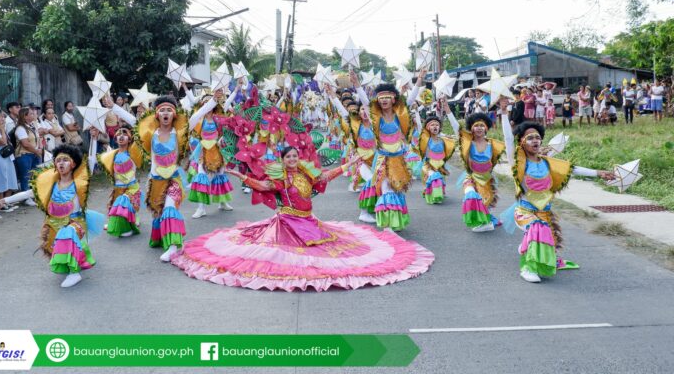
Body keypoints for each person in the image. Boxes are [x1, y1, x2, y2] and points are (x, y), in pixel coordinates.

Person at [169, 146, 436, 291]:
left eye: (296, 156)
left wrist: (351, 164)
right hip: (286, 222)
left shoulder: (307, 175)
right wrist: (241, 176)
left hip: (309, 220)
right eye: (289, 157)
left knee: (330, 248)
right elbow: (262, 188)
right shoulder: (279, 179)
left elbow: (327, 177)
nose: (293, 159)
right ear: (283, 160)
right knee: (289, 257)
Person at [500, 113, 616, 283]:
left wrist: (599, 173)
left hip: (545, 213)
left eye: (537, 137)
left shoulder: (547, 163)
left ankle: (530, 247)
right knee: (537, 228)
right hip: (524, 212)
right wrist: (504, 113)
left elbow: (572, 169)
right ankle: (527, 268)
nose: (534, 141)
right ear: (522, 141)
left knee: (547, 238)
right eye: (529, 137)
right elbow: (508, 140)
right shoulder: (518, 162)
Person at [0, 144, 102, 288]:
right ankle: (82, 255)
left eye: (65, 160)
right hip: (54, 224)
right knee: (58, 245)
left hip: (76, 222)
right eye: (58, 160)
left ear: (74, 163)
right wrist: (3, 201)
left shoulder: (79, 183)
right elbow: (26, 193)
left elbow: (91, 161)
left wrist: (93, 138)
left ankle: (74, 273)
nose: (61, 163)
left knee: (67, 234)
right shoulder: (50, 185)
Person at [113, 95, 189, 262]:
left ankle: (174, 246)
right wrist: (112, 105)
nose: (166, 113)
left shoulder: (179, 132)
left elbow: (197, 115)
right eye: (162, 110)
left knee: (170, 208)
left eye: (169, 110)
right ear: (157, 114)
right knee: (158, 212)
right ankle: (167, 239)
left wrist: (214, 99)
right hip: (155, 181)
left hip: (174, 180)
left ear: (174, 114)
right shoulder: (151, 133)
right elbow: (133, 121)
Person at [351, 70, 419, 232]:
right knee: (386, 188)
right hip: (383, 160)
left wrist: (420, 80)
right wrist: (357, 84)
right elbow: (366, 103)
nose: (384, 101)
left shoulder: (398, 115)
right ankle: (387, 223)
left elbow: (409, 100)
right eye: (380, 98)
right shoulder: (375, 117)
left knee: (396, 189)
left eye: (387, 98)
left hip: (399, 161)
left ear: (393, 99)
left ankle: (396, 221)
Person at [444, 101, 504, 232]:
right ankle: (478, 223)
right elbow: (456, 128)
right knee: (471, 195)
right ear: (471, 128)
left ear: (487, 128)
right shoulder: (468, 143)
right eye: (476, 125)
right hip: (471, 178)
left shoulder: (492, 145)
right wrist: (448, 110)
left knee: (485, 204)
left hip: (487, 180)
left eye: (482, 126)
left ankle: (485, 220)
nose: (479, 128)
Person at [184, 82, 241, 219]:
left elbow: (227, 103)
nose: (207, 106)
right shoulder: (198, 119)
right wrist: (186, 89)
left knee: (220, 176)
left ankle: (222, 203)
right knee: (201, 178)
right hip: (204, 152)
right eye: (205, 103)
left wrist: (237, 88)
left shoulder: (218, 118)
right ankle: (201, 208)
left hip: (217, 150)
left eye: (210, 103)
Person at [328, 87, 377, 223]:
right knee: (370, 182)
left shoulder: (376, 125)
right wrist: (333, 95)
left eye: (367, 110)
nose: (364, 112)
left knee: (378, 183)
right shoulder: (355, 125)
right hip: (360, 159)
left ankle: (374, 208)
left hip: (376, 159)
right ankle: (364, 212)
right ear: (358, 112)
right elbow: (343, 111)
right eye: (362, 109)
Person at [100, 126, 144, 238]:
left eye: (124, 134)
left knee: (126, 204)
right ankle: (123, 222)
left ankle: (132, 220)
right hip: (118, 187)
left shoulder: (134, 152)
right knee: (117, 210)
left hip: (131, 187)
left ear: (129, 139)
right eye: (119, 134)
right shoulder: (112, 155)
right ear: (115, 139)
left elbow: (141, 137)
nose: (121, 136)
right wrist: (94, 140)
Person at [0, 110, 18, 205]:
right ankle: (0, 203)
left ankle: (7, 201)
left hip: (8, 156)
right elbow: (3, 142)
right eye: (1, 117)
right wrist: (2, 130)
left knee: (10, 176)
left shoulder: (1, 129)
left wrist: (2, 129)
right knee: (0, 178)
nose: (3, 119)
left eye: (3, 117)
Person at [13, 107, 43, 194]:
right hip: (24, 155)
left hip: (35, 154)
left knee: (35, 176)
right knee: (25, 177)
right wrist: (36, 151)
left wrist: (40, 148)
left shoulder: (32, 126)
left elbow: (38, 138)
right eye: (31, 113)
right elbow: (25, 144)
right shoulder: (20, 128)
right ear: (25, 116)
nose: (33, 114)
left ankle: (34, 194)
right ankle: (26, 197)